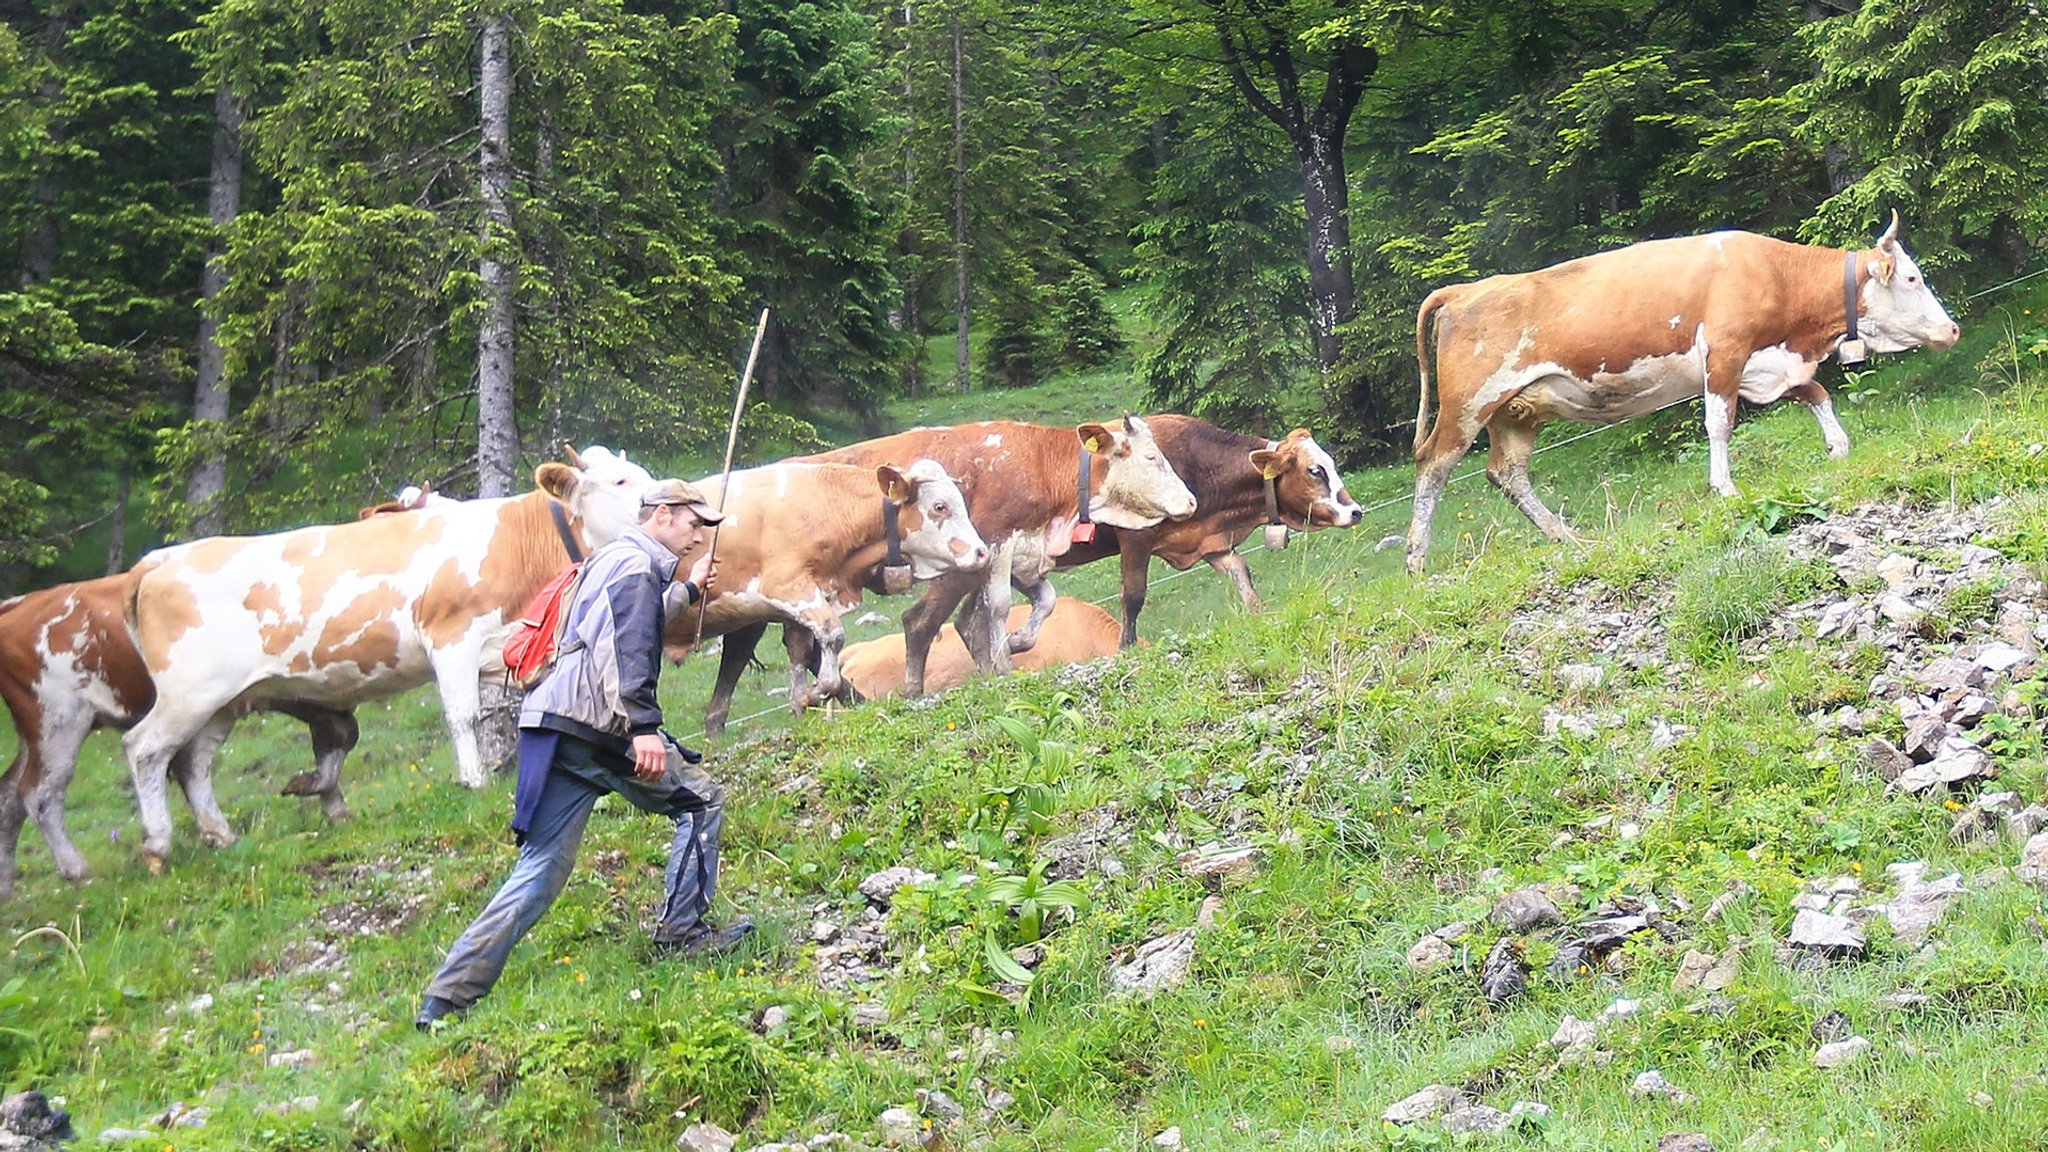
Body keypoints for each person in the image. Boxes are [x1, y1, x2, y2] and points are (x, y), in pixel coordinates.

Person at [416, 478, 753, 1029]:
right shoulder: (635, 567)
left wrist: (687, 592)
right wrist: (643, 726)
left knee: (541, 869)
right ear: (663, 515)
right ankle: (684, 933)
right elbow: (625, 642)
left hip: (552, 723)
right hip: (597, 724)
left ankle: (445, 1000)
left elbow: (620, 618)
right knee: (702, 802)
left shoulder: (610, 560)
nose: (698, 537)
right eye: (694, 523)